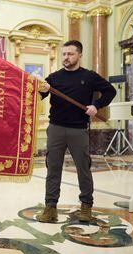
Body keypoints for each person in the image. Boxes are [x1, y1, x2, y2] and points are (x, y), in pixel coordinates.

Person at [37, 40, 116, 223]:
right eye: (64, 54)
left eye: (70, 54)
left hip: (78, 130)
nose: (66, 57)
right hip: (56, 128)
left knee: (83, 169)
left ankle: (86, 206)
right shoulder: (54, 77)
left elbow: (110, 92)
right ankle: (50, 208)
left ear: (79, 55)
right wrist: (42, 88)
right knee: (53, 169)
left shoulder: (89, 77)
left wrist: (96, 105)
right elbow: (39, 93)